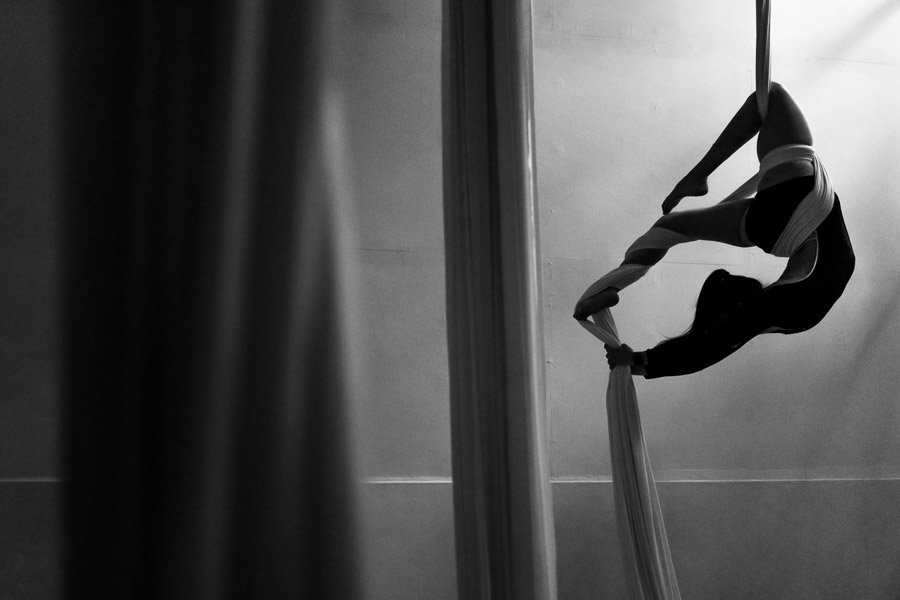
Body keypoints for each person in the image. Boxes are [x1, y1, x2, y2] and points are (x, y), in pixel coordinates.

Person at [573, 82, 855, 378]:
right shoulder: (773, 311)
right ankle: (612, 285)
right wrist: (640, 363)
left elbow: (712, 347)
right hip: (783, 223)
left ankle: (697, 177)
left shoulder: (783, 314)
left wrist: (640, 362)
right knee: (669, 228)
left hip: (795, 207)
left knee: (771, 97)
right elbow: (712, 345)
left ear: (738, 308)